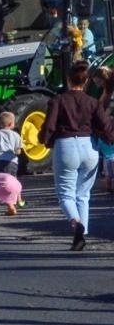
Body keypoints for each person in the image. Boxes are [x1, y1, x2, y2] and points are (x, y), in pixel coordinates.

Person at [41, 59, 114, 250]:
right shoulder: (92, 102)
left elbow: (49, 126)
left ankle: (75, 223)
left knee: (65, 193)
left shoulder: (58, 100)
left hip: (66, 145)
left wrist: (46, 141)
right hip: (89, 146)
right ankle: (83, 233)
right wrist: (110, 139)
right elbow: (106, 126)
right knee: (84, 194)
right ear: (86, 81)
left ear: (68, 79)